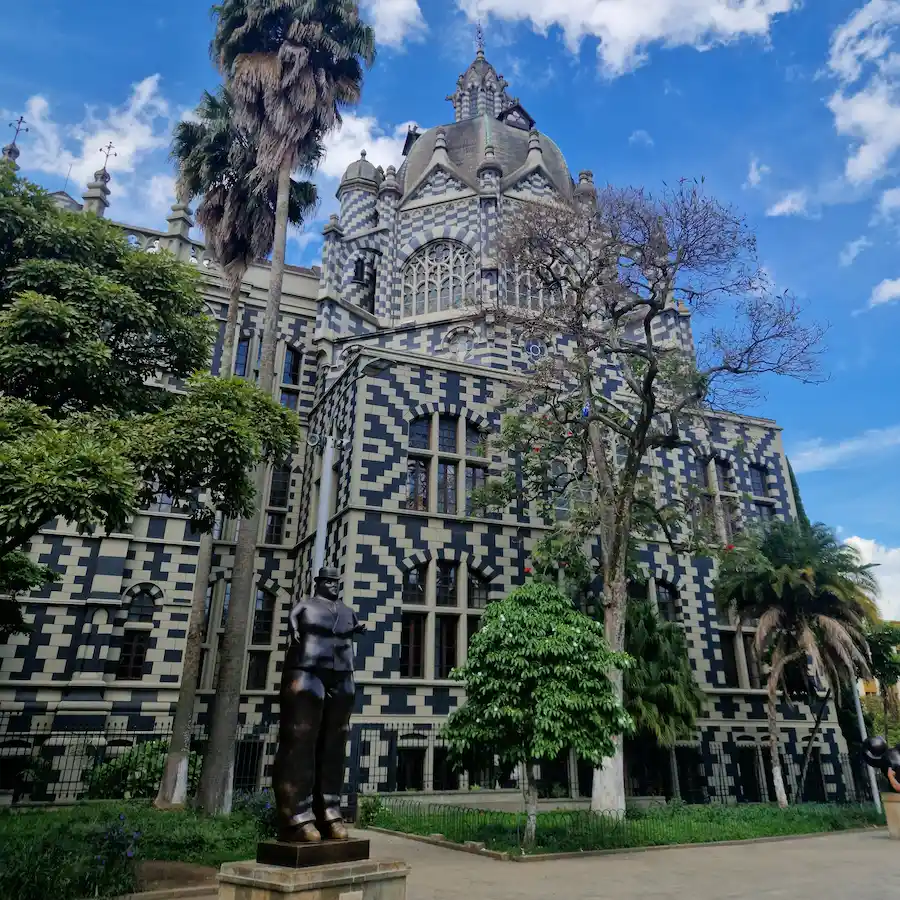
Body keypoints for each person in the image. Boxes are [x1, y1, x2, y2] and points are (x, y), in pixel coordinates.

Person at [272, 566, 366, 842]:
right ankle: (296, 815)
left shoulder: (347, 611)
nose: (334, 586)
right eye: (329, 581)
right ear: (319, 583)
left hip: (342, 674)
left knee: (336, 740)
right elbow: (293, 629)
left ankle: (329, 811)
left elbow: (352, 631)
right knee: (301, 738)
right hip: (308, 669)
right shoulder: (304, 606)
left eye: (336, 582)